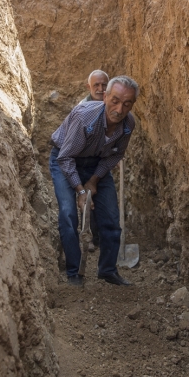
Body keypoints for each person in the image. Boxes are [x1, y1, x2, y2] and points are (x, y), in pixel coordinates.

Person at [50, 75, 139, 286]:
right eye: (115, 101)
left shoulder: (128, 124)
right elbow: (65, 157)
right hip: (64, 159)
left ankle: (107, 270)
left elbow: (115, 155)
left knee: (110, 217)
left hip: (96, 164)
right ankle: (74, 272)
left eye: (127, 104)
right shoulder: (85, 117)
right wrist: (81, 191)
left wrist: (94, 180)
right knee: (68, 214)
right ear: (105, 97)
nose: (119, 109)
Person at [78, 69, 110, 252]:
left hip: (100, 160)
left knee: (98, 199)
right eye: (96, 85)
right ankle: (87, 238)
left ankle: (98, 239)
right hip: (82, 160)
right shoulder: (82, 108)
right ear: (88, 87)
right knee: (85, 199)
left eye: (103, 85)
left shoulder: (111, 104)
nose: (100, 89)